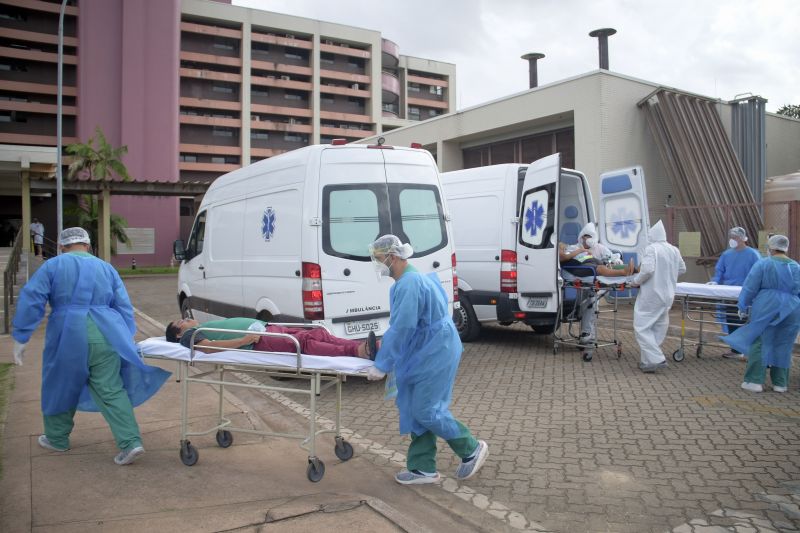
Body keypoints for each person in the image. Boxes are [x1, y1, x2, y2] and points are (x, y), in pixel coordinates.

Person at [11, 227, 170, 465]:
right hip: (107, 333)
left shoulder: (52, 266)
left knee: (60, 386)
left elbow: (32, 299)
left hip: (67, 336)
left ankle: (56, 439)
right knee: (111, 389)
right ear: (87, 245)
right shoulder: (106, 268)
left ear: (61, 246)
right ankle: (131, 442)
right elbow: (123, 306)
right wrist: (126, 336)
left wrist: (21, 336)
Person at [366, 234, 488, 485]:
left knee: (426, 409)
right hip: (426, 349)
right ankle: (422, 468)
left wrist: (382, 364)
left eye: (379, 258)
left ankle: (470, 448)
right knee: (415, 407)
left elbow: (402, 327)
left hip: (436, 351)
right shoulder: (407, 281)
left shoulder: (409, 283)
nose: (378, 264)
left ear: (392, 257)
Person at [722, 235, 800, 393]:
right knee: (784, 343)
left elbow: (750, 286)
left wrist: (742, 305)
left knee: (761, 342)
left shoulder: (764, 264)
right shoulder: (796, 266)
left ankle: (754, 381)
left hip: (768, 305)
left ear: (770, 248)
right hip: (792, 308)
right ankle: (780, 384)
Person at [165, 316, 379, 359]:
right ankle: (358, 351)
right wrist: (243, 341)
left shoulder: (202, 326)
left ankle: (362, 346)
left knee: (317, 333)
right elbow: (207, 347)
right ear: (179, 333)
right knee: (304, 343)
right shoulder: (189, 335)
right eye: (180, 322)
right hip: (257, 339)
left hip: (264, 328)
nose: (185, 319)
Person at [632, 220, 686, 373]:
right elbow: (682, 268)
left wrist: (635, 282)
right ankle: (648, 362)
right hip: (668, 295)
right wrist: (667, 275)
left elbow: (647, 270)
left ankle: (656, 359)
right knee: (658, 327)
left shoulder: (652, 249)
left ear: (652, 236)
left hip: (652, 295)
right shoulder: (674, 250)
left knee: (641, 327)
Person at [560, 222, 628, 344]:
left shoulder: (599, 248)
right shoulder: (575, 248)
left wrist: (616, 261)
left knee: (591, 302)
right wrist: (580, 251)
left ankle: (587, 335)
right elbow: (567, 259)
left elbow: (612, 257)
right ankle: (586, 335)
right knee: (587, 304)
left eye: (590, 237)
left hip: (596, 278)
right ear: (582, 237)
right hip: (585, 276)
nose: (588, 240)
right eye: (586, 237)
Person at [708, 226, 762, 360]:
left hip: (747, 294)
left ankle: (747, 350)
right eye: (731, 237)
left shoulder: (753, 254)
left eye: (735, 237)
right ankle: (736, 349)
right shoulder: (727, 254)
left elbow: (758, 273)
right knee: (731, 320)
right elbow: (720, 271)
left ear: (743, 238)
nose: (732, 240)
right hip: (729, 294)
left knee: (745, 321)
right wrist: (715, 281)